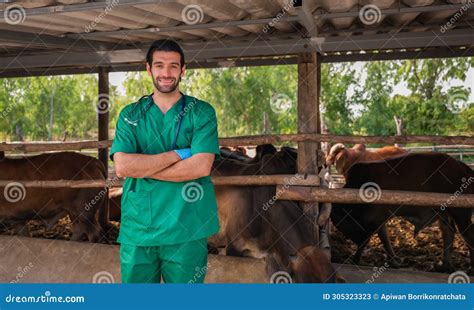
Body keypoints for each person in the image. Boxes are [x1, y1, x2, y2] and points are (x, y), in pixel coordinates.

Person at [110, 39, 220, 283]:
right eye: (159, 66)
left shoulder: (201, 112)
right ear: (149, 69)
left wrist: (143, 168)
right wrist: (179, 154)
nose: (166, 73)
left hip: (186, 228)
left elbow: (201, 166)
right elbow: (123, 167)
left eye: (173, 66)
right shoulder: (130, 115)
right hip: (138, 228)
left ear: (183, 70)